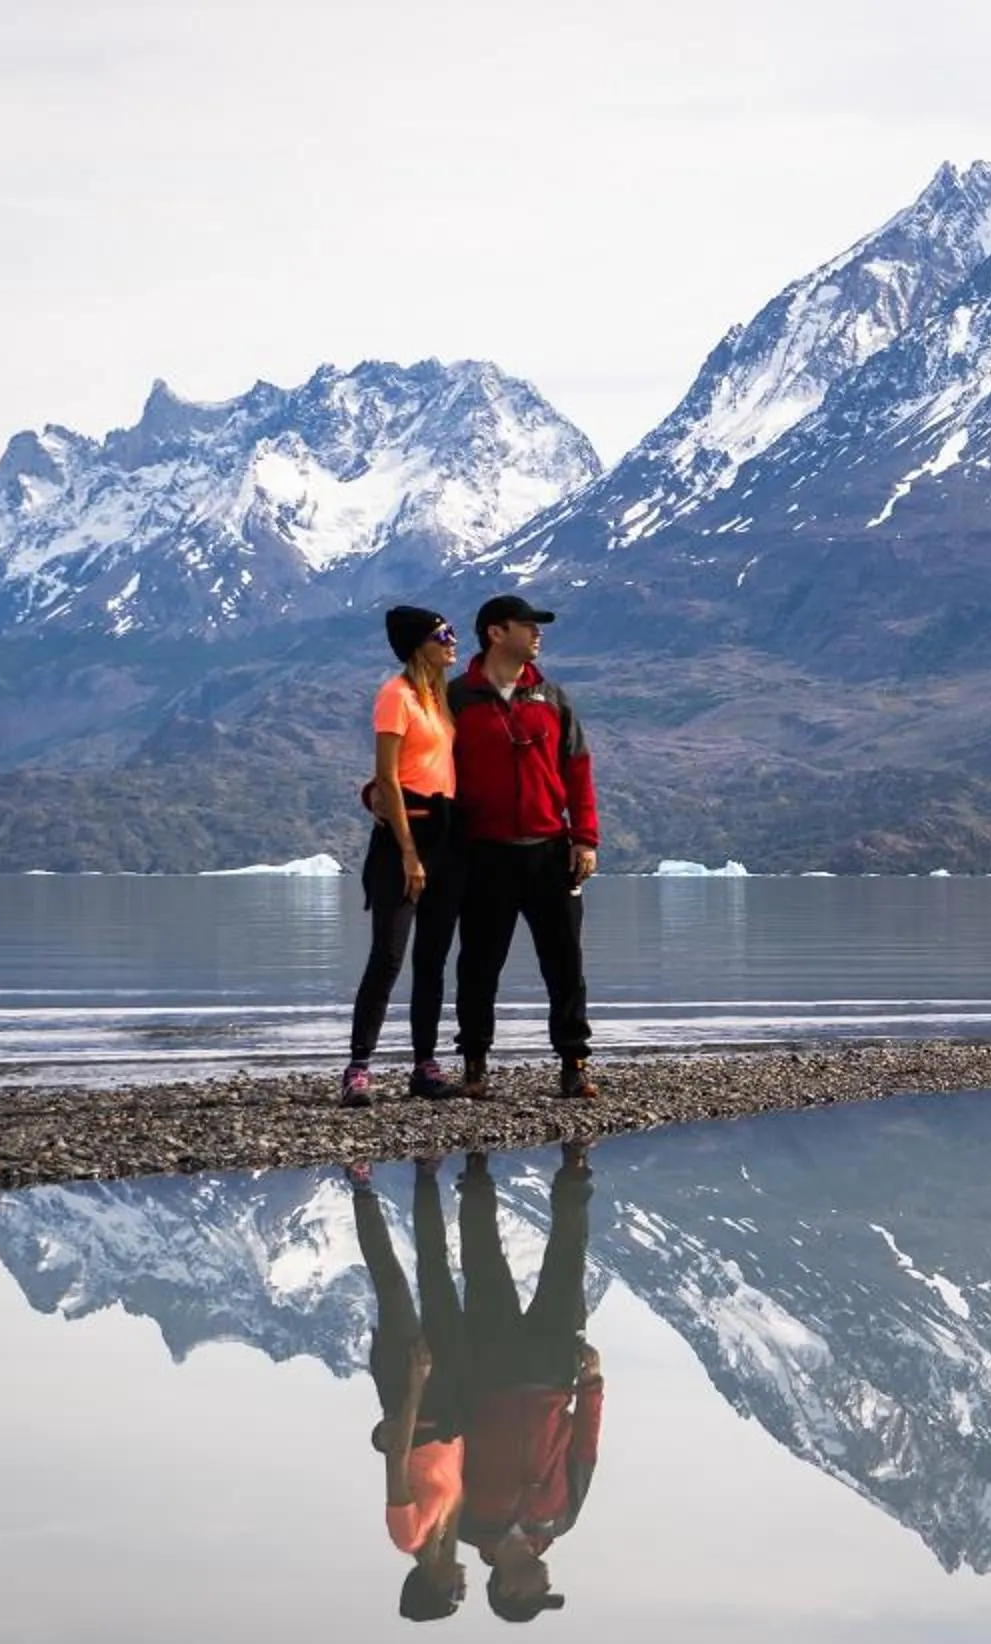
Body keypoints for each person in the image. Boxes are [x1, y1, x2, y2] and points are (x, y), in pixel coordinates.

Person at [447, 593, 601, 1101]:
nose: (538, 633)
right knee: (478, 964)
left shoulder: (552, 697)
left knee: (565, 964)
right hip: (483, 853)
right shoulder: (458, 698)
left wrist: (584, 838)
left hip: (549, 851)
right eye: (528, 625)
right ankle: (474, 1065)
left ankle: (574, 1064)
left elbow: (577, 768)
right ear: (496, 632)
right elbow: (427, 766)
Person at [458, 1143, 602, 1622]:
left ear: (509, 1590)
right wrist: (593, 1385)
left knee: (482, 1263)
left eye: (537, 1593)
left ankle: (475, 1170)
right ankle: (575, 1167)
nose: (547, 1583)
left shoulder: (467, 1523)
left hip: (491, 1372)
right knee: (568, 1257)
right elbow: (583, 1451)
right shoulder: (562, 1521)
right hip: (552, 1373)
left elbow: (453, 1446)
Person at [341, 605, 465, 1105]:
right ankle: (357, 1069)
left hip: (446, 838)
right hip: (404, 836)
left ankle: (425, 1066)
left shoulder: (438, 698)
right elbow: (388, 777)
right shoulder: (396, 695)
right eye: (444, 634)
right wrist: (408, 853)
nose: (454, 641)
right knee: (388, 956)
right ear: (420, 644)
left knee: (432, 958)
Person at [347, 1157, 471, 1622]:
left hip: (410, 1392)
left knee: (393, 1284)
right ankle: (426, 1175)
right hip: (447, 1403)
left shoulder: (409, 1536)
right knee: (435, 1276)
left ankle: (361, 1188)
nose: (463, 1588)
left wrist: (416, 1385)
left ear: (430, 1586)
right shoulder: (446, 1534)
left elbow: (398, 1456)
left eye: (453, 1596)